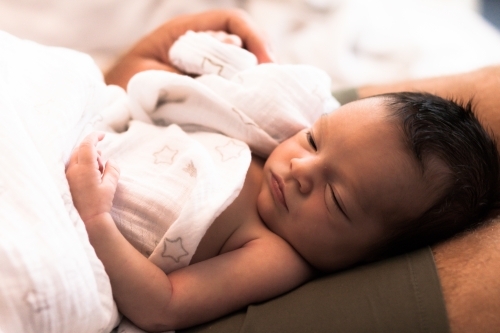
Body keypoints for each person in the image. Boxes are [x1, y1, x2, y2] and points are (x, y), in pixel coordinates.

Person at [65, 10, 500, 333]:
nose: (300, 167)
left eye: (337, 200)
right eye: (314, 139)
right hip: (77, 140)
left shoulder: (275, 258)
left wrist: (97, 220)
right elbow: (167, 98)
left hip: (79, 224)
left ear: (367, 257)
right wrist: (212, 56)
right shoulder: (265, 140)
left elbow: (164, 305)